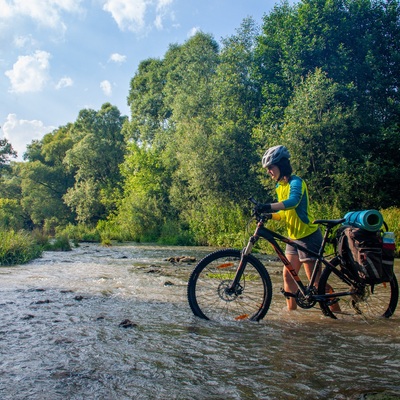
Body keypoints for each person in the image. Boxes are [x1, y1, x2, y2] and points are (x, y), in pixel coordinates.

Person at [258, 145, 323, 311]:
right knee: (288, 276)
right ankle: (291, 314)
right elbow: (284, 213)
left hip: (308, 236)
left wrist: (268, 206)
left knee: (315, 281)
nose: (269, 172)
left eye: (271, 167)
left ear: (281, 165)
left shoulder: (297, 182)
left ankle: (335, 313)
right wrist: (270, 214)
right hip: (293, 238)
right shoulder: (280, 187)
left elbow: (293, 202)